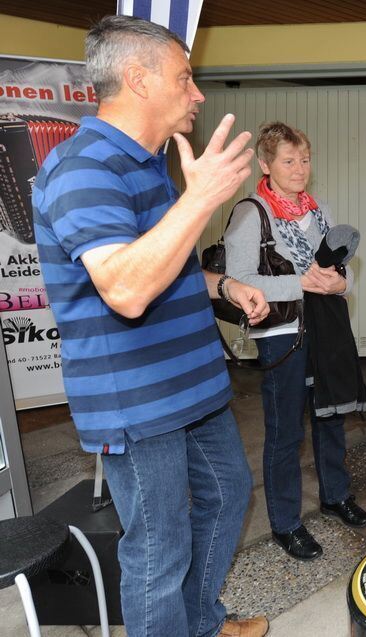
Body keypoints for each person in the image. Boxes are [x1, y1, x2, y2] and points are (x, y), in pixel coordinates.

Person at [32, 15, 270, 637]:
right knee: (158, 549)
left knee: (226, 495)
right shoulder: (81, 167)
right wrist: (200, 199)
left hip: (192, 388)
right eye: (185, 78)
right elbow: (127, 287)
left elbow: (165, 263)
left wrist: (222, 286)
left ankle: (201, 624)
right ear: (138, 79)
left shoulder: (148, 165)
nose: (197, 94)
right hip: (137, 402)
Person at [224, 122, 366, 562]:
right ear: (265, 164)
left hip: (326, 330)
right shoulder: (250, 213)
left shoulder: (319, 209)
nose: (299, 168)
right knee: (285, 432)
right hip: (281, 335)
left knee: (330, 419)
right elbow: (237, 280)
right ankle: (286, 523)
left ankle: (335, 495)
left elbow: (339, 274)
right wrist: (302, 283)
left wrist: (337, 285)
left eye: (304, 159)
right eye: (288, 161)